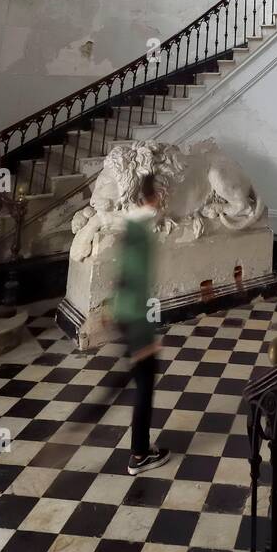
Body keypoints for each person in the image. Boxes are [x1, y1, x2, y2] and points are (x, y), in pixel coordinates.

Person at [112, 173, 170, 475]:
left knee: (142, 381)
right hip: (135, 318)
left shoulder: (132, 224)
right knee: (145, 386)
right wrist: (145, 334)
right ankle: (139, 454)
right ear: (155, 196)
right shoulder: (142, 231)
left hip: (125, 314)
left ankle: (141, 448)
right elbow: (136, 280)